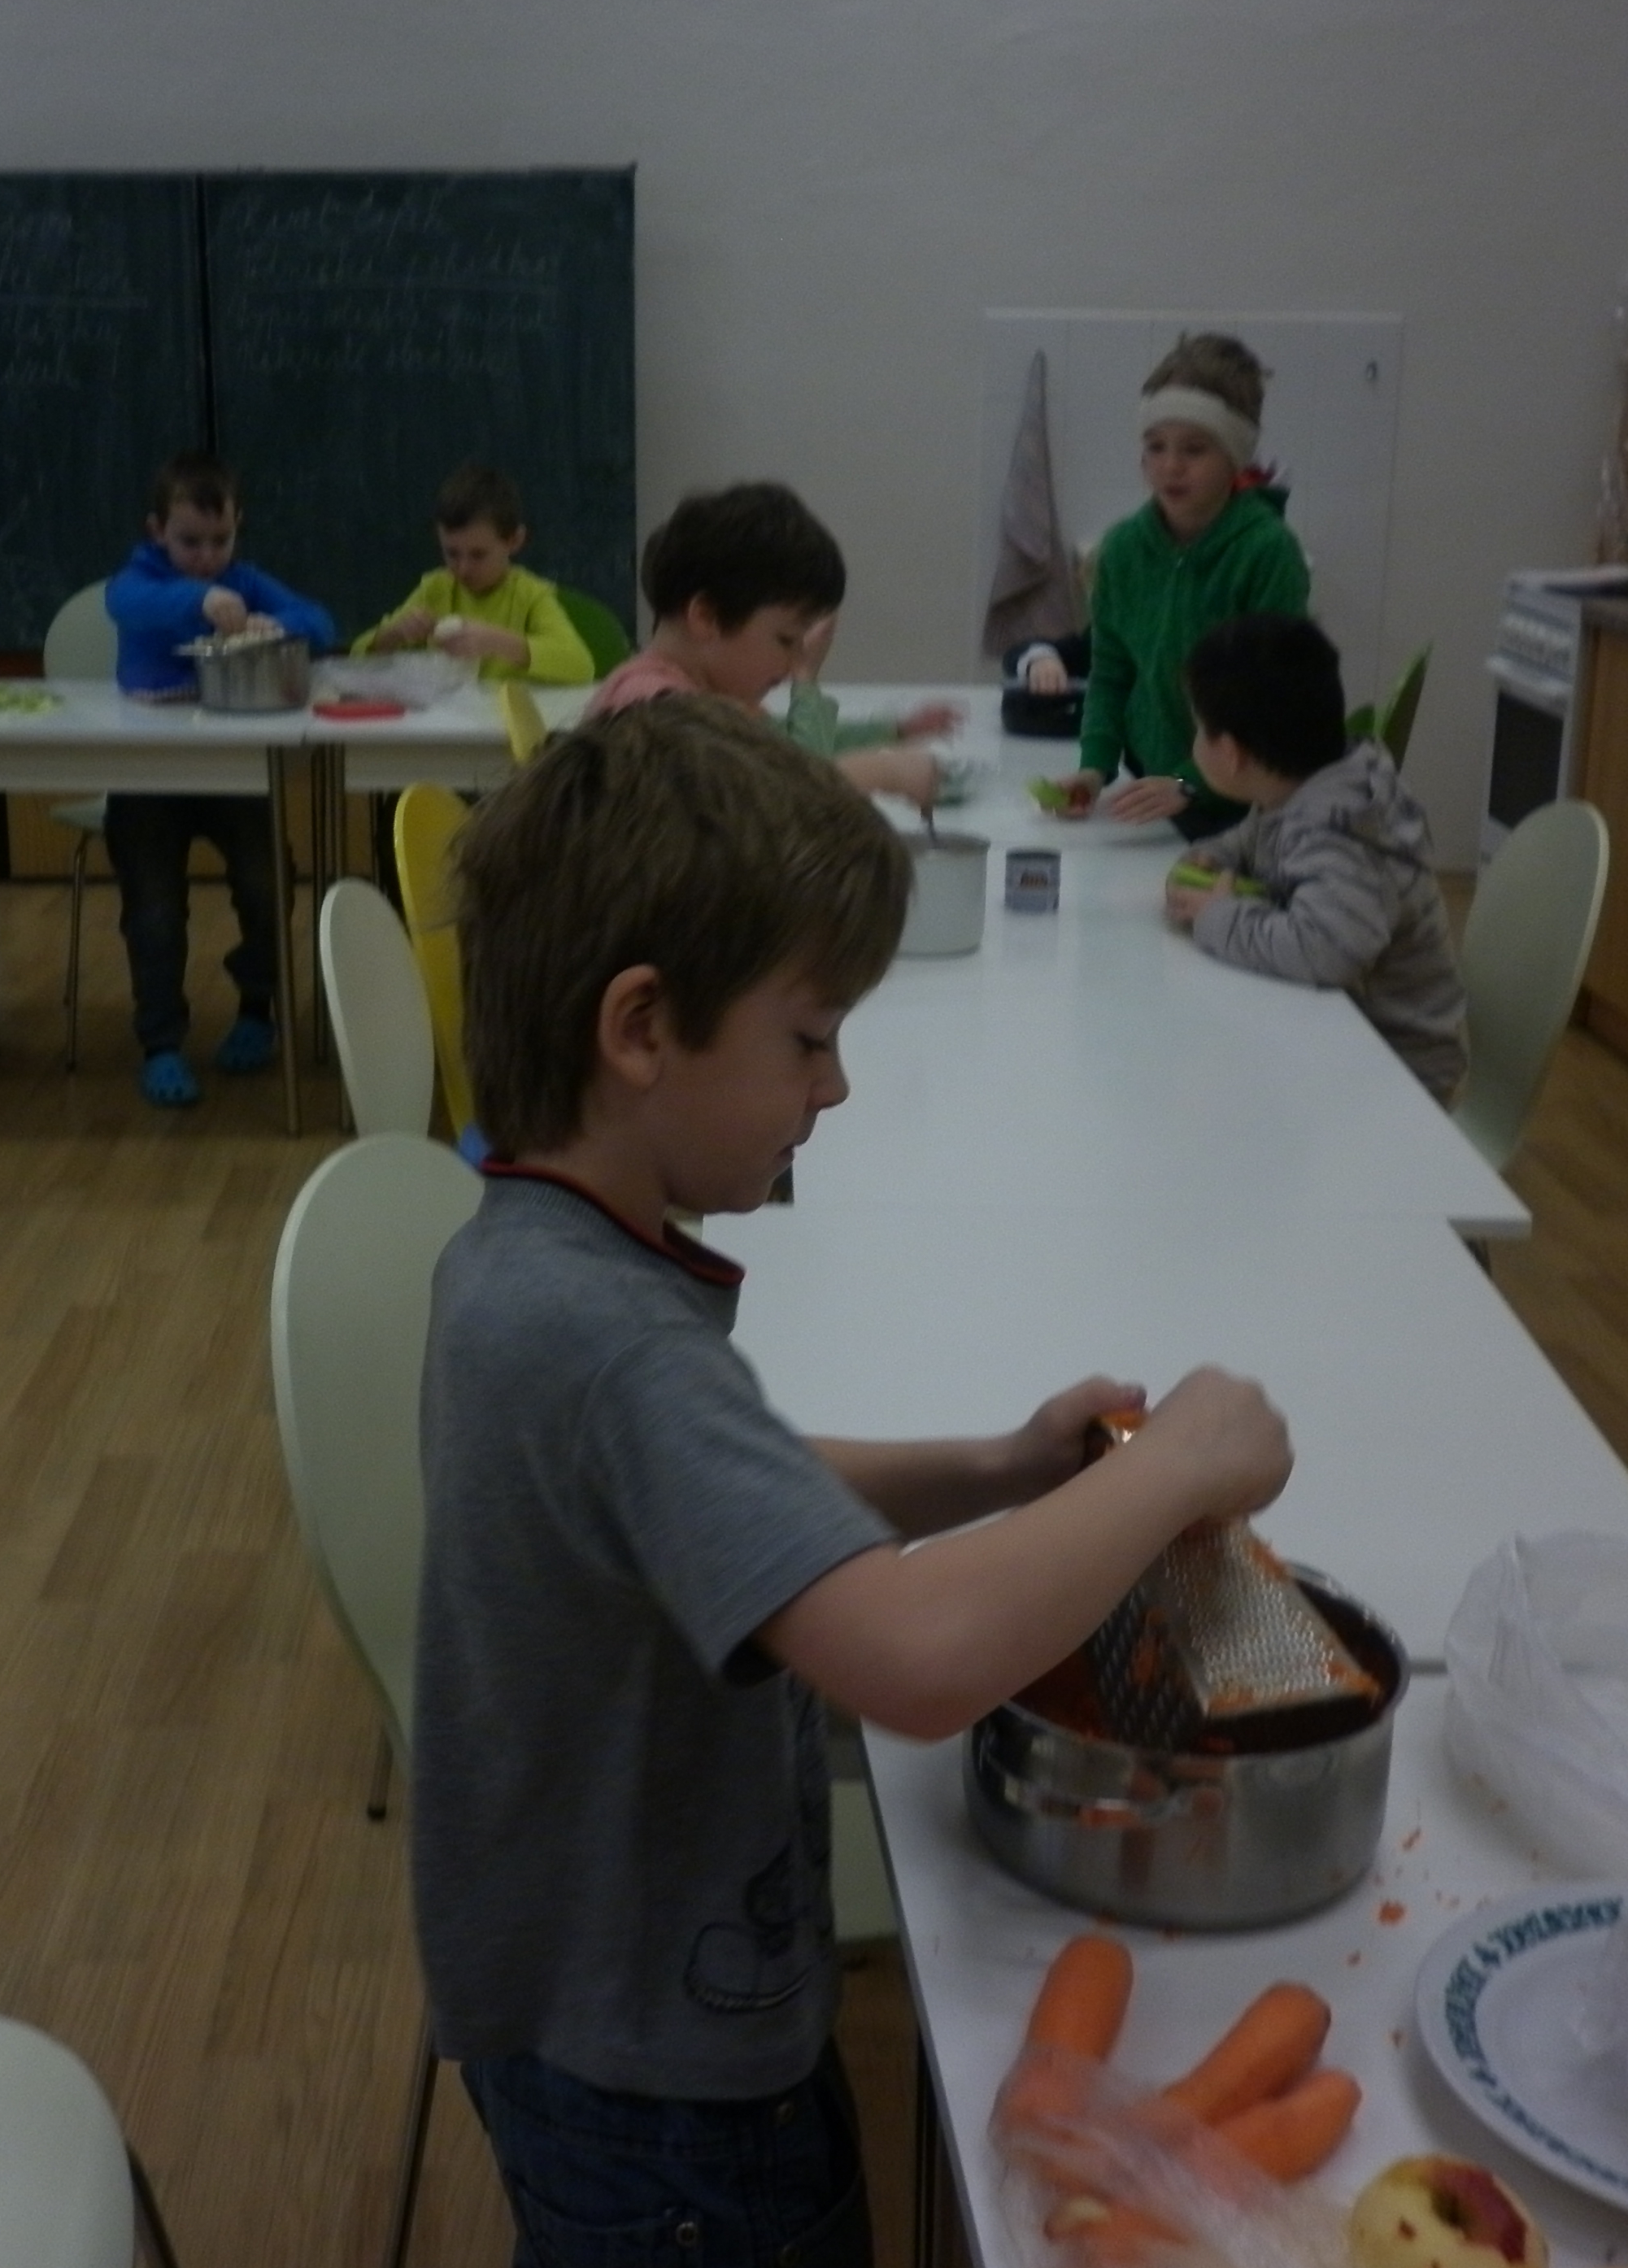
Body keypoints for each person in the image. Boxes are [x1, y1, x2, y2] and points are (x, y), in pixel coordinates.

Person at [420, 692, 1293, 2264]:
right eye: (808, 1040)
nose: (834, 1090)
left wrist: (996, 1469)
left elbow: (727, 1501)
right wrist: (1180, 1467)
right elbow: (916, 1662)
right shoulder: (614, 1345)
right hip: (665, 2094)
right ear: (641, 1029)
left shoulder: (529, 1257)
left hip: (581, 2014)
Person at [101, 451, 338, 1108]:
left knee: (266, 886)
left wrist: (276, 623)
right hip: (150, 773)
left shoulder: (245, 581)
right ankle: (161, 1043)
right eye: (189, 542)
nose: (207, 557)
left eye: (220, 540)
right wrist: (201, 600)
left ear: (238, 528)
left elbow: (321, 622)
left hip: (234, 769)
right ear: (157, 531)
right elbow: (127, 603)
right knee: (153, 912)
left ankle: (257, 1010)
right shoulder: (140, 580)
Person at [1164, 613, 1466, 1100]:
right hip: (1336, 1036)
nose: (1194, 742)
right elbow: (1251, 842)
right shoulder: (1298, 787)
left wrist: (1218, 918)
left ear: (1232, 754)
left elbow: (1325, 951)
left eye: (1200, 729)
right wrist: (1212, 859)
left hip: (1395, 1074)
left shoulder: (1341, 827)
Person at [1057, 333, 1310, 840]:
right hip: (1156, 794)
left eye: (1194, 449)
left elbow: (1273, 698)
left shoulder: (1267, 554)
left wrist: (1191, 782)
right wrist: (1094, 767)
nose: (1171, 466)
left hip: (1250, 806)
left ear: (1235, 458)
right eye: (1156, 447)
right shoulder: (1121, 551)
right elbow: (1111, 673)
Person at [584, 481, 957, 806]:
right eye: (786, 640)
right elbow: (787, 793)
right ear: (707, 617)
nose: (794, 662)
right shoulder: (649, 706)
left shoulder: (706, 695)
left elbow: (784, 743)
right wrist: (884, 771)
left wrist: (895, 731)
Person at [354, 461, 593, 683]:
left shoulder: (530, 595)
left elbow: (581, 666)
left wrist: (499, 643)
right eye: (452, 553)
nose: (463, 569)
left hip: (503, 714)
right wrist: (393, 634)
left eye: (478, 555)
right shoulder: (435, 589)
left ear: (514, 541)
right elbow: (355, 656)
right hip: (449, 713)